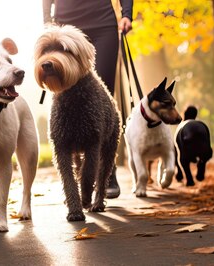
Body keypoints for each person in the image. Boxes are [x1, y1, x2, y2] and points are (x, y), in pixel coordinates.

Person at [42, 0, 133, 199]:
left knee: (104, 96)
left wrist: (126, 13)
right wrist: (47, 20)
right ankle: (75, 170)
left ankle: (107, 173)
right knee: (65, 92)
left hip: (103, 24)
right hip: (65, 25)